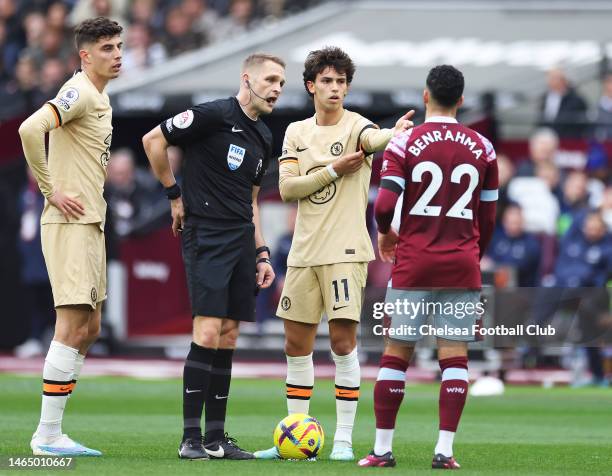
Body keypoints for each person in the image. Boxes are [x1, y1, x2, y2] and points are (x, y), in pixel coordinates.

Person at [254, 46, 414, 461]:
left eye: (341, 81)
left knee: (342, 343)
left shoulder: (357, 125)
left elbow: (374, 139)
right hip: (305, 253)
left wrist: (394, 134)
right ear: (311, 86)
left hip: (345, 251)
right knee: (295, 344)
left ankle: (342, 437)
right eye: (326, 81)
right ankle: (294, 434)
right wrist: (332, 170)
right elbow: (287, 189)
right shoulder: (296, 132)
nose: (335, 88)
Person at [142, 53, 284, 460]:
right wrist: (173, 194)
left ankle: (217, 438)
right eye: (271, 80)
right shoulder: (212, 115)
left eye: (281, 83)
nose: (276, 89)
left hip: (241, 238)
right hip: (205, 232)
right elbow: (153, 140)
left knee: (228, 335)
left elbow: (253, 201)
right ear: (247, 79)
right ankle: (190, 439)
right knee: (206, 332)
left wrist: (261, 252)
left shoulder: (264, 137)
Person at [358, 65, 498, 469]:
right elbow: (487, 218)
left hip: (414, 263)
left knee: (396, 354)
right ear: (461, 100)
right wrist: (474, 254)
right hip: (461, 263)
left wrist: (385, 234)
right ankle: (445, 451)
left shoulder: (405, 144)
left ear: (425, 96)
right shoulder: (484, 148)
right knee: (454, 358)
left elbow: (384, 205)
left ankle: (383, 450)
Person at [18, 16, 123, 456]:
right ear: (85, 55)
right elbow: (29, 128)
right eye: (107, 49)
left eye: (119, 46)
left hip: (90, 222)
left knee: (91, 326)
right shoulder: (78, 90)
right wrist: (50, 190)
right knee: (71, 324)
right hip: (70, 222)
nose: (117, 55)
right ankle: (46, 435)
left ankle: (53, 430)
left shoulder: (100, 96)